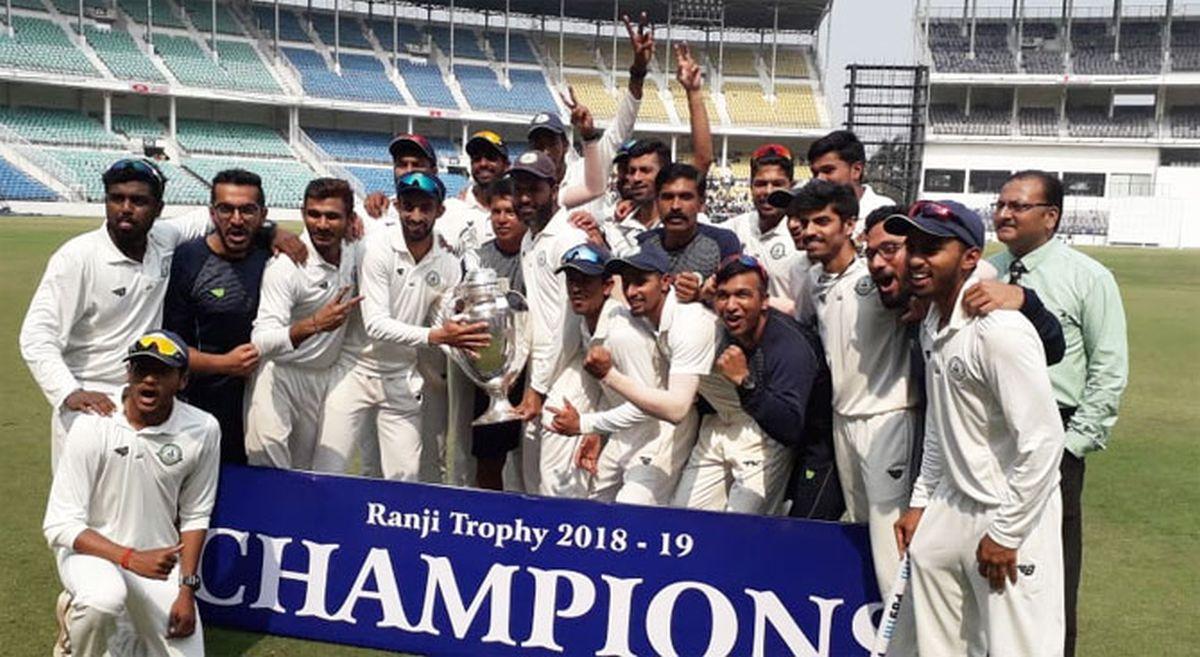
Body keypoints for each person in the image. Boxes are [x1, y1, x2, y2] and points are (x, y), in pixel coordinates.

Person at [889, 204, 1066, 657]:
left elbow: (1044, 441)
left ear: (970, 258)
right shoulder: (932, 321)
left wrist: (1007, 533)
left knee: (1019, 648)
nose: (916, 259)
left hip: (1009, 505)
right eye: (913, 246)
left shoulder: (999, 330)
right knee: (936, 644)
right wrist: (921, 500)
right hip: (951, 501)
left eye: (933, 248)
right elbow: (939, 422)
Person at [973, 170, 1128, 657]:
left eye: (1018, 206)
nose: (1004, 213)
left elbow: (1109, 368)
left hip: (1054, 438)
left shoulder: (1087, 277)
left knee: (1050, 572)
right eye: (1000, 204)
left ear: (1051, 216)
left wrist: (1071, 446)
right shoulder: (986, 273)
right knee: (985, 556)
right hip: (989, 437)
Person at [773, 180, 919, 654]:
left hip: (887, 418)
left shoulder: (873, 277)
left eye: (822, 222)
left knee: (890, 545)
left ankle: (908, 645)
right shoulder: (817, 279)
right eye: (805, 222)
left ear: (849, 226)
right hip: (843, 423)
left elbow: (923, 291)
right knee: (861, 532)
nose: (809, 230)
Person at [19, 159, 210, 470]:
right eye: (116, 198)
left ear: (158, 208)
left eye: (138, 201)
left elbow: (209, 218)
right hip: (91, 403)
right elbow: (37, 335)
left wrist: (272, 232)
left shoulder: (163, 238)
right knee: (83, 509)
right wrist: (70, 392)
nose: (125, 208)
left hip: (146, 397)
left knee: (140, 506)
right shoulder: (78, 257)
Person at [43, 330, 219, 657]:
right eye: (140, 369)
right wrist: (129, 558)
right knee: (103, 599)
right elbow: (60, 525)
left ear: (182, 380)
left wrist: (186, 590)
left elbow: (196, 512)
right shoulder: (93, 424)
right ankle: (76, 643)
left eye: (162, 371)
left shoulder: (203, 429)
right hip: (91, 556)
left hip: (158, 563)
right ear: (128, 373)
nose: (148, 380)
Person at [313, 172, 488, 480]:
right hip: (355, 370)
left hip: (400, 376)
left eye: (425, 207)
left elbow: (439, 321)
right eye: (408, 206)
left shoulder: (446, 261)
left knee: (405, 476)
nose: (416, 216)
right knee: (329, 469)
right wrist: (438, 336)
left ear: (439, 211)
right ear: (397, 206)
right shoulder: (377, 248)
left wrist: (463, 340)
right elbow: (376, 325)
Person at [545, 243, 692, 506]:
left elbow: (648, 407)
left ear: (607, 286)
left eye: (586, 280)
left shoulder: (623, 334)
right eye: (571, 279)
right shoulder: (587, 323)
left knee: (631, 512)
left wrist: (586, 425)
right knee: (595, 508)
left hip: (658, 436)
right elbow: (615, 391)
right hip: (626, 433)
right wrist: (597, 435)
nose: (576, 287)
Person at [244, 178, 364, 470]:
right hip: (277, 376)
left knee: (306, 475)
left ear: (350, 220)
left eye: (332, 216)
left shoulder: (355, 252)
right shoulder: (287, 266)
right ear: (302, 213)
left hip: (323, 379)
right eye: (313, 214)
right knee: (269, 472)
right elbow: (260, 341)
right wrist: (313, 324)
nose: (321, 225)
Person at [163, 169, 275, 464]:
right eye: (226, 209)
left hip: (266, 405)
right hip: (203, 407)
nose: (236, 219)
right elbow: (172, 347)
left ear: (262, 214)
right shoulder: (188, 260)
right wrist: (225, 364)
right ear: (212, 214)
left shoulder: (275, 254)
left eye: (247, 210)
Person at [507, 151, 592, 494]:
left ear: (554, 188)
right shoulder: (529, 238)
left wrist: (538, 388)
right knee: (531, 478)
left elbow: (568, 325)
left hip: (571, 368)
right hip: (541, 368)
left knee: (558, 484)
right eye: (518, 189)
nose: (524, 198)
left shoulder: (570, 239)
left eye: (533, 189)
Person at [467, 177, 529, 490]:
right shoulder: (478, 258)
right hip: (491, 371)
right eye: (496, 212)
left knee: (530, 464)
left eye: (511, 212)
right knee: (489, 461)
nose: (502, 219)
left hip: (532, 372)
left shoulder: (536, 250)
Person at [635, 163, 740, 303]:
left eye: (685, 197)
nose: (675, 206)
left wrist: (701, 296)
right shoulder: (643, 243)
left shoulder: (723, 242)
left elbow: (736, 298)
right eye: (667, 197)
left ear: (701, 203)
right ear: (657, 201)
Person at [724, 144, 806, 312]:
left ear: (791, 186)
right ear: (750, 186)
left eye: (777, 184)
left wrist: (759, 301)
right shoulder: (734, 228)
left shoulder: (802, 236)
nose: (768, 192)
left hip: (788, 333)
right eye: (761, 184)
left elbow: (805, 309)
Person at [441, 130, 510, 258]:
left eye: (491, 158)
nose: (483, 164)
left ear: (506, 165)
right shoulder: (451, 209)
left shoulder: (517, 213)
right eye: (476, 159)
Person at [806, 130, 896, 220]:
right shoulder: (809, 213)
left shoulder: (884, 211)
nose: (819, 178)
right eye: (815, 173)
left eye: (828, 170)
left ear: (856, 170)